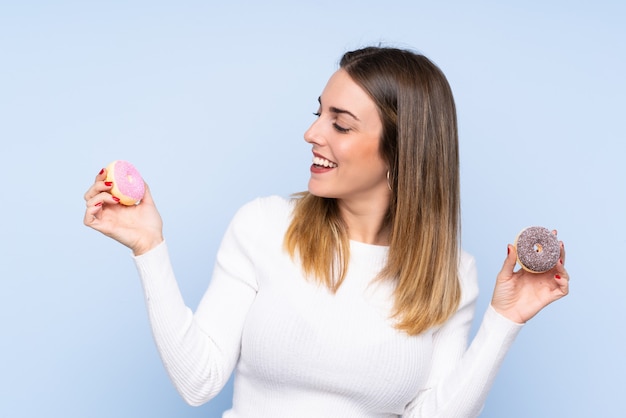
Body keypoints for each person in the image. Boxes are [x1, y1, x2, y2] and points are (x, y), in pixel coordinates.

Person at [83, 46, 569, 417]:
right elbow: (199, 381)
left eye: (341, 124)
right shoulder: (264, 225)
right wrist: (149, 247)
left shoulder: (452, 273)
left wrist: (505, 321)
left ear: (402, 152)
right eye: (319, 113)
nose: (313, 133)